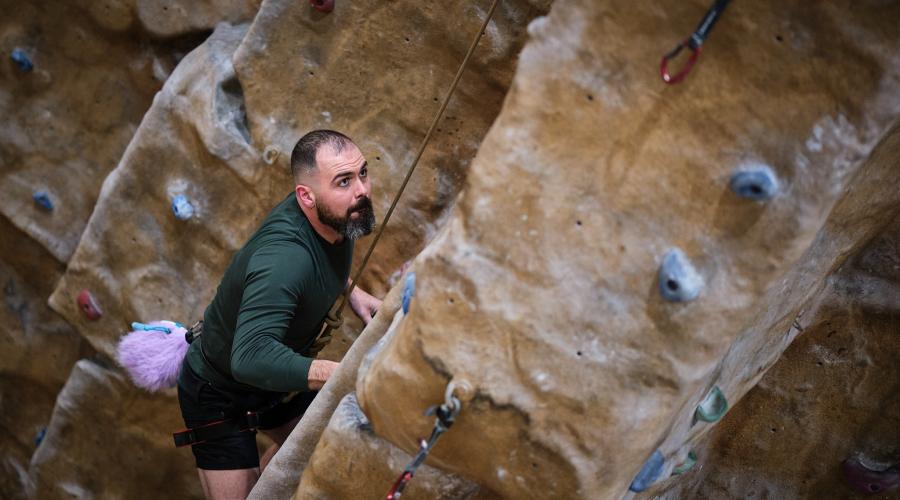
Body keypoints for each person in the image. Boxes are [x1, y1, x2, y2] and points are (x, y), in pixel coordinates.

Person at [176, 130, 382, 499]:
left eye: (363, 173)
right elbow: (250, 357)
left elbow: (319, 259)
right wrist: (336, 374)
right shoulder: (284, 259)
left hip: (274, 383)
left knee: (325, 451)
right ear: (306, 196)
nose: (361, 190)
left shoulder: (334, 215)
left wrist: (352, 291)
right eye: (344, 181)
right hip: (220, 390)